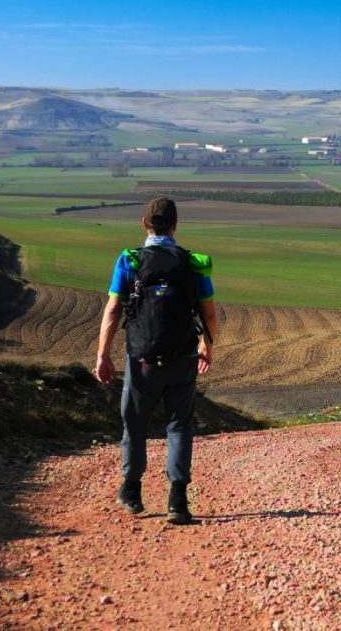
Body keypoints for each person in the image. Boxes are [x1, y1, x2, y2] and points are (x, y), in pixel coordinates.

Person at [95, 197, 217, 525]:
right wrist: (208, 343)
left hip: (142, 358)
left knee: (135, 424)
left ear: (144, 224)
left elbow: (112, 309)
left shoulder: (130, 260)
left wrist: (103, 355)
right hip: (184, 357)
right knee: (179, 424)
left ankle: (132, 492)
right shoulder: (193, 263)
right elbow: (208, 312)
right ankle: (178, 500)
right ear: (176, 226)